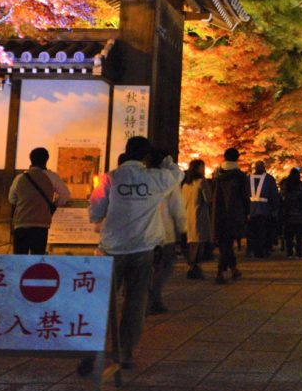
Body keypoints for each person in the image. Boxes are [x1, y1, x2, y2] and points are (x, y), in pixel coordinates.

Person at [83, 136, 181, 371]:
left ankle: (92, 349)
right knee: (136, 302)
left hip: (112, 247)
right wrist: (165, 159)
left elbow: (95, 212)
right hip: (143, 248)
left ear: (126, 152)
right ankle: (126, 352)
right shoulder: (156, 178)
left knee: (103, 300)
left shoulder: (110, 178)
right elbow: (177, 173)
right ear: (146, 156)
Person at [8, 147, 70, 254]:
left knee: (19, 258)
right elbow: (65, 195)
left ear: (31, 159)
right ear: (46, 159)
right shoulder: (52, 177)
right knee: (37, 257)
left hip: (21, 223)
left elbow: (11, 199)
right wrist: (54, 205)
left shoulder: (20, 178)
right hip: (41, 224)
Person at [148, 149, 186, 314]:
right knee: (165, 266)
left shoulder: (143, 178)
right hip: (164, 231)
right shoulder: (169, 181)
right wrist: (182, 227)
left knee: (147, 267)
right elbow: (177, 207)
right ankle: (154, 297)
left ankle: (145, 297)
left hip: (144, 231)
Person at [211, 148, 249, 284]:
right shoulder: (240, 176)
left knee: (224, 241)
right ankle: (220, 272)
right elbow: (245, 197)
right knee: (228, 242)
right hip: (234, 213)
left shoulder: (217, 174)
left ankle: (233, 269)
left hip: (218, 212)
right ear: (237, 158)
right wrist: (247, 212)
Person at [181, 159, 211, 279]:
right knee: (198, 243)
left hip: (187, 216)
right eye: (202, 167)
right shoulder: (202, 182)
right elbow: (208, 199)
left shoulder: (185, 185)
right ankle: (194, 267)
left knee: (191, 242)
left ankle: (192, 266)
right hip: (199, 216)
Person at [247, 160, 281, 258]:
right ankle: (263, 250)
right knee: (264, 231)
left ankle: (252, 250)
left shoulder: (249, 178)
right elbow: (274, 195)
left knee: (252, 231)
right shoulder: (269, 179)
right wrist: (275, 208)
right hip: (265, 209)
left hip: (251, 209)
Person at [280, 167, 302, 258]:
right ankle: (299, 253)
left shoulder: (286, 185)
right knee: (299, 235)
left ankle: (289, 253)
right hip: (299, 213)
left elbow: (282, 197)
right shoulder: (301, 185)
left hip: (288, 213)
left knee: (289, 235)